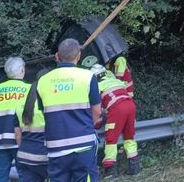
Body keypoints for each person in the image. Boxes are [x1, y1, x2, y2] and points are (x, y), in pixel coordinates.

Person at [37, 39, 102, 182]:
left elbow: (43, 112)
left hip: (56, 147)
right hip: (83, 145)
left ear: (57, 56)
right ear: (78, 56)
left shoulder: (43, 81)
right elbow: (97, 111)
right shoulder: (87, 77)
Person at [0, 56, 30, 182]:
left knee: (0, 178)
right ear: (21, 70)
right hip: (20, 139)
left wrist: (1, 113)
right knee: (25, 176)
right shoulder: (28, 89)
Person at [90, 64, 140, 177]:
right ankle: (135, 168)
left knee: (111, 139)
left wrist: (97, 124)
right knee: (129, 137)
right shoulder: (115, 81)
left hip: (117, 108)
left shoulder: (97, 86)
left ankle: (110, 171)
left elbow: (98, 109)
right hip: (131, 105)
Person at [15, 69, 50, 182]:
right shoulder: (48, 103)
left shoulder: (22, 105)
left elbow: (17, 135)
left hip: (23, 156)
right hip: (44, 156)